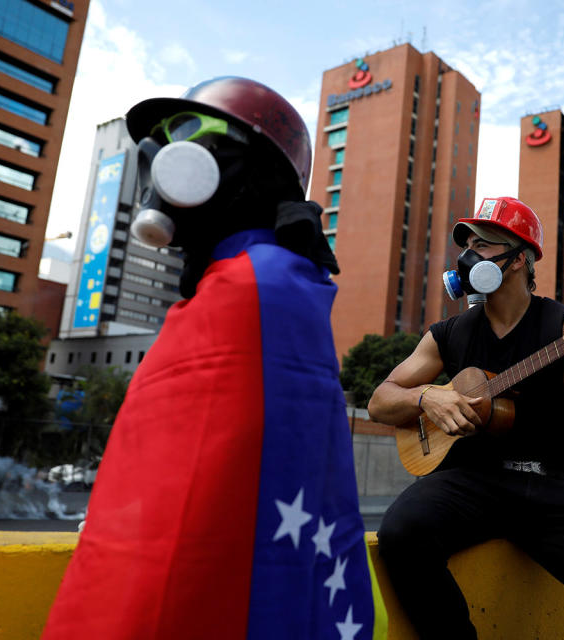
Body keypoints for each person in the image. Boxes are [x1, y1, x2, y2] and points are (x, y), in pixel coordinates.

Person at [43, 77, 385, 639]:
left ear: (248, 167)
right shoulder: (240, 283)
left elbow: (212, 503)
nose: (158, 161)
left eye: (185, 136)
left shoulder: (260, 286)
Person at [369, 197, 564, 640]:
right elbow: (381, 400)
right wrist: (426, 399)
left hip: (550, 487)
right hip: (469, 483)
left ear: (519, 260)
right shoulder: (449, 332)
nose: (467, 257)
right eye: (467, 246)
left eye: (482, 245)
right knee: (399, 535)